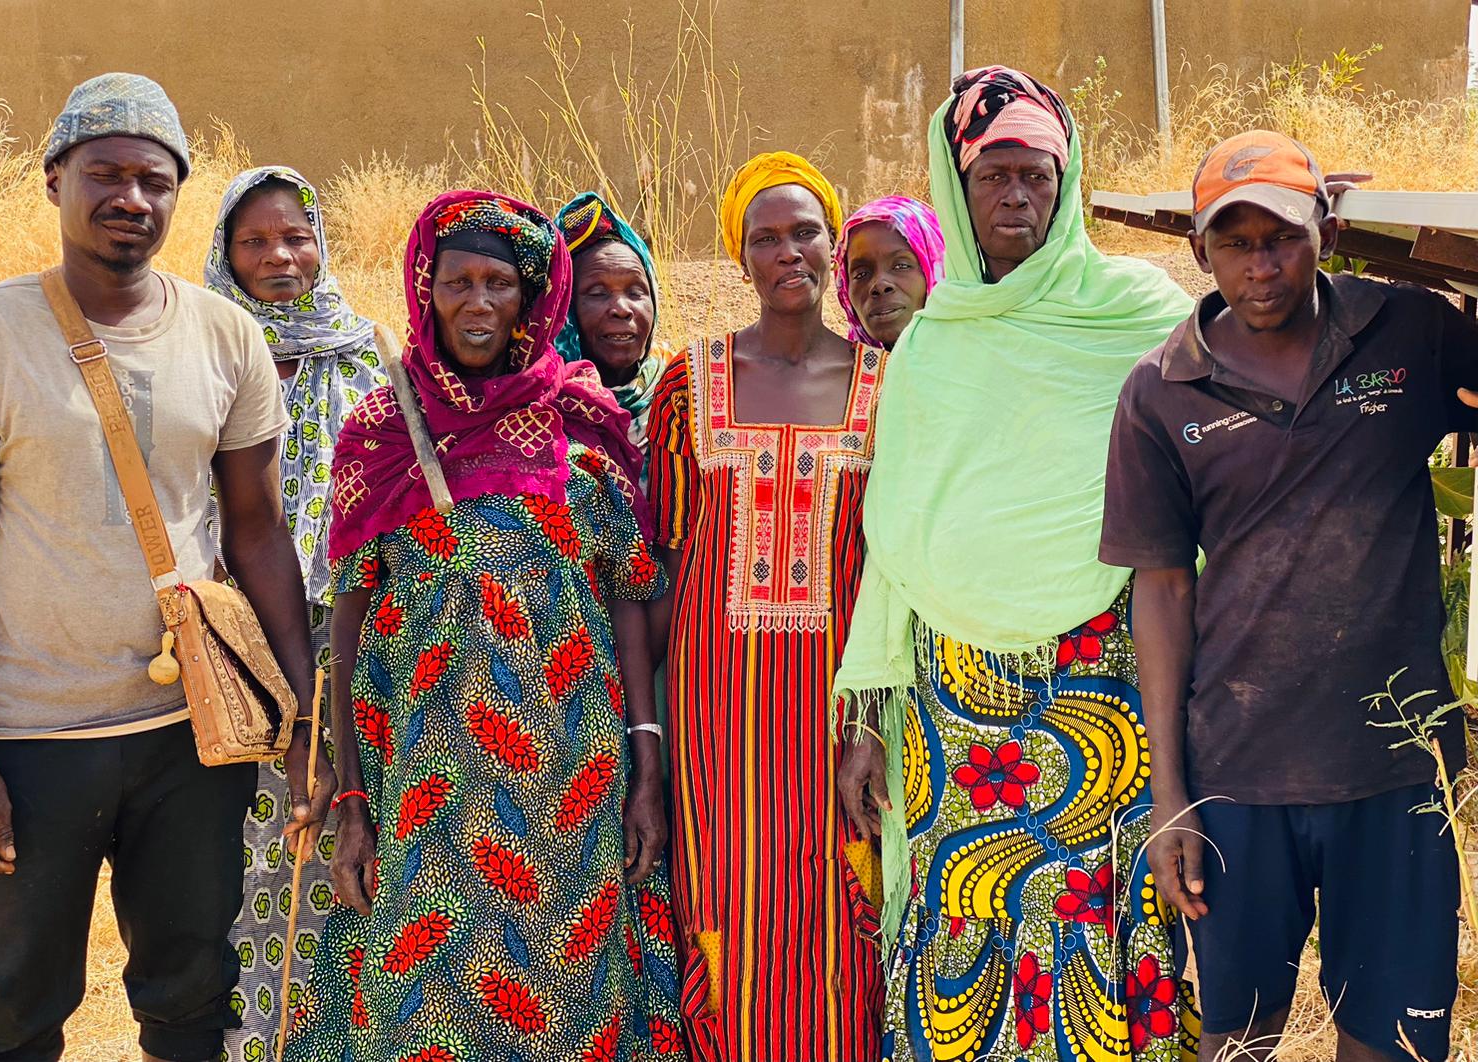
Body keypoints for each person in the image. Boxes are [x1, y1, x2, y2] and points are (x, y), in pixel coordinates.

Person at [0, 73, 329, 1062]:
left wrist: (301, 721)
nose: (131, 198)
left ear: (179, 198)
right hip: (30, 737)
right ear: (54, 180)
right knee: (6, 1012)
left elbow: (260, 535)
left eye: (154, 179)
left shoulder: (226, 338)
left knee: (190, 998)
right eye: (106, 174)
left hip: (192, 739)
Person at [831, 67, 1199, 1062]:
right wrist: (868, 714)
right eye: (993, 176)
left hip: (1099, 672)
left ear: (1064, 180)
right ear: (958, 189)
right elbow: (894, 530)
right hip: (952, 697)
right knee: (964, 900)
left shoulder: (1137, 315)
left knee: (1098, 904)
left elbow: (1204, 474)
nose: (1015, 197)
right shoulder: (934, 343)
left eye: (1035, 174)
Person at [281, 191, 687, 1061]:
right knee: (424, 996)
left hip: (572, 781)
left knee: (571, 990)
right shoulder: (383, 430)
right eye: (456, 281)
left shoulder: (580, 428)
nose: (477, 303)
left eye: (499, 282)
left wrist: (646, 772)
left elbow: (629, 606)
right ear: (424, 290)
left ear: (533, 296)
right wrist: (351, 795)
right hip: (424, 781)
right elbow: (348, 628)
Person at [1102, 130, 1476, 1062]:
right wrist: (1170, 793)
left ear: (1326, 232)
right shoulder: (1159, 390)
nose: (1262, 266)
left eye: (1285, 237)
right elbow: (1161, 586)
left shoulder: (1411, 331)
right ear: (1200, 249)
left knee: (1396, 1040)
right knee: (1237, 1038)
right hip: (1239, 773)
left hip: (1397, 766)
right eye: (1236, 242)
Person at [646, 150, 887, 1062]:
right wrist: (651, 739)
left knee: (840, 905)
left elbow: (892, 562)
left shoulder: (885, 384)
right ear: (739, 257)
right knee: (725, 904)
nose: (789, 252)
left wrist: (869, 719)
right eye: (765, 237)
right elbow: (662, 570)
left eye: (806, 232)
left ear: (834, 245)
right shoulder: (689, 384)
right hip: (715, 712)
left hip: (844, 706)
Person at [204, 164, 390, 1061]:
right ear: (225, 255)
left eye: (296, 236)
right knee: (237, 862)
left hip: (350, 637)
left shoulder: (369, 350)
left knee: (336, 844)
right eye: (255, 241)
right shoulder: (201, 348)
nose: (280, 256)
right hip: (226, 647)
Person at [555, 190, 669, 463]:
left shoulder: (680, 397)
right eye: (597, 293)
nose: (621, 308)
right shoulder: (538, 411)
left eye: (636, 291)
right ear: (564, 310)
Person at [833, 195, 947, 350]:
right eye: (861, 274)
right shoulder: (846, 371)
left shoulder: (982, 362)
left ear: (936, 271)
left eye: (901, 266)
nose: (880, 285)